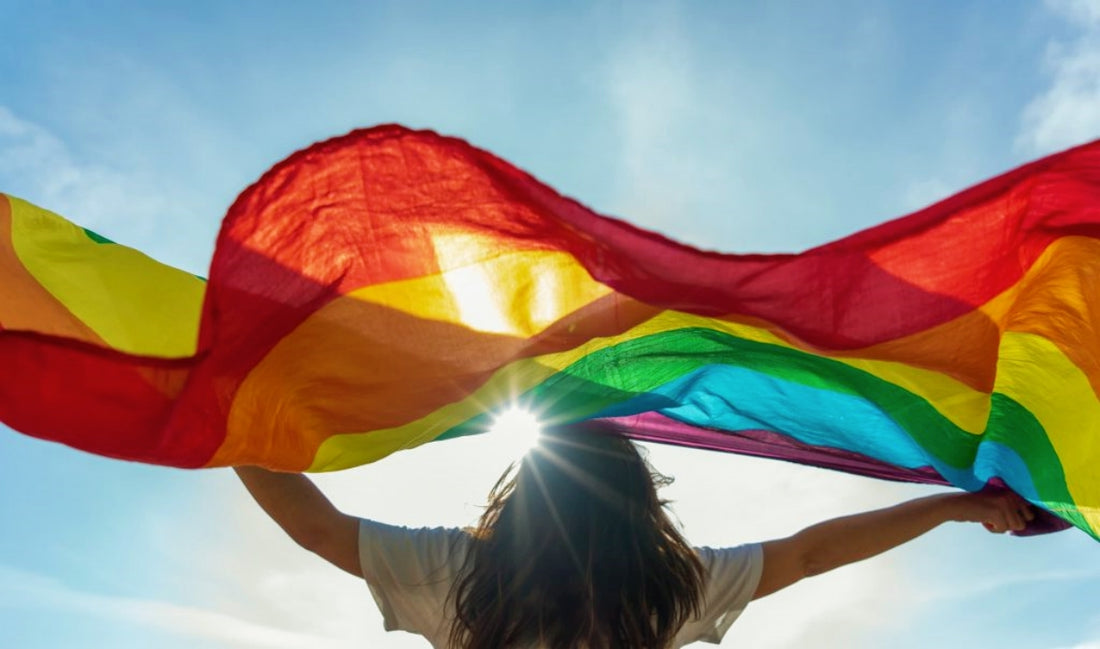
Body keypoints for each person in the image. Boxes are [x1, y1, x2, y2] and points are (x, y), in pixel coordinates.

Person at [235, 422, 1034, 648]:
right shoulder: (670, 588)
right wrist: (948, 507)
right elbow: (809, 552)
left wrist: (225, 428)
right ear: (641, 502)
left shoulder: (461, 573)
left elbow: (314, 527)